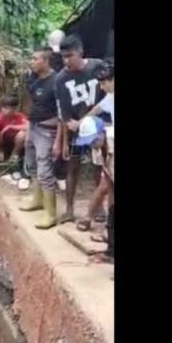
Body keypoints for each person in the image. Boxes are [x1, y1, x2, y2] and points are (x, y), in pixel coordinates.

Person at [55, 35, 105, 224]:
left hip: (99, 129)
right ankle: (69, 209)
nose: (66, 60)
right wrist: (65, 140)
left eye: (70, 55)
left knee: (98, 167)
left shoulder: (97, 67)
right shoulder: (61, 79)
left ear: (80, 52)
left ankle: (99, 206)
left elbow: (107, 97)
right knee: (72, 167)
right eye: (63, 57)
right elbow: (64, 114)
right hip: (77, 133)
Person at [18, 47, 61, 229]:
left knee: (45, 171)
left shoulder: (56, 81)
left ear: (46, 61)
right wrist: (28, 128)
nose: (32, 61)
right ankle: (38, 199)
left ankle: (50, 214)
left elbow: (62, 114)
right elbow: (31, 104)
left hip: (47, 130)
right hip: (33, 126)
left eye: (36, 59)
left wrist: (59, 140)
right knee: (33, 166)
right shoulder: (33, 78)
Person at [85, 63, 114, 265]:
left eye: (104, 83)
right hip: (111, 150)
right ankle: (111, 247)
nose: (102, 87)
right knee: (111, 199)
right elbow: (96, 110)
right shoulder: (110, 97)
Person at [0, 94, 28, 166]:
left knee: (23, 134)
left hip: (16, 144)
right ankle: (0, 153)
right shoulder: (0, 117)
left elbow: (29, 127)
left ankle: (14, 155)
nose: (4, 110)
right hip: (3, 143)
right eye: (3, 107)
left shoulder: (20, 116)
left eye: (7, 108)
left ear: (14, 109)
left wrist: (11, 126)